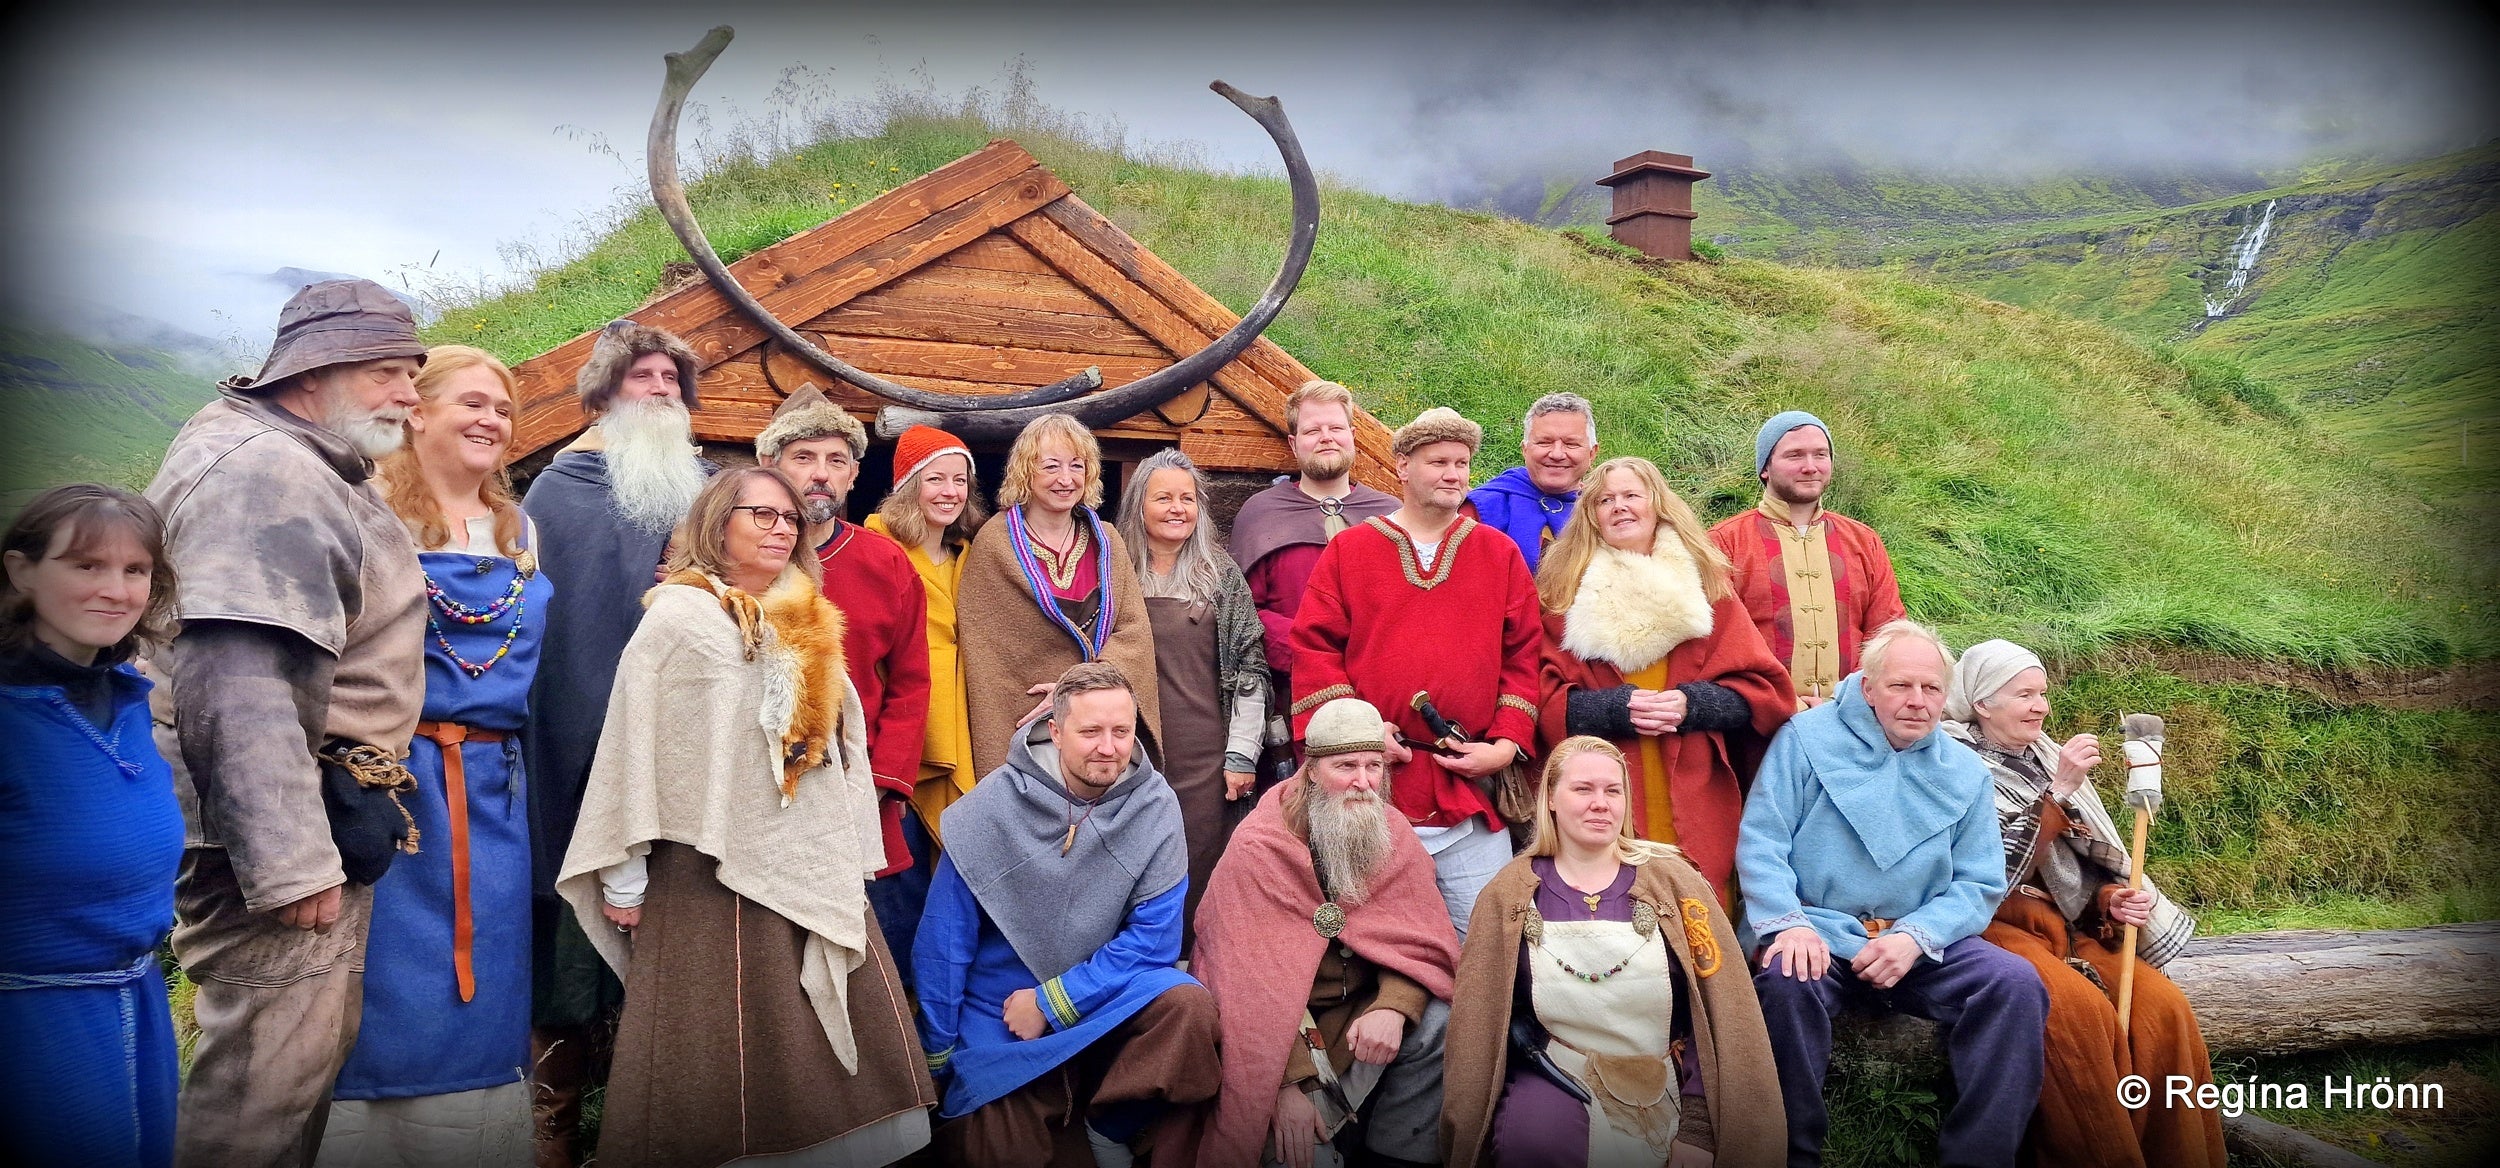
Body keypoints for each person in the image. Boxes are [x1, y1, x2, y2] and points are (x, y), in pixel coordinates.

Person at [556, 467, 936, 1168]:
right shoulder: (679, 619)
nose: (780, 528)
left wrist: (847, 846)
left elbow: (837, 751)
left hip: (809, 858)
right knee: (716, 1076)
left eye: (789, 518)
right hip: (706, 872)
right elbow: (637, 752)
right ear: (715, 525)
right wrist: (625, 879)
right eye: (761, 514)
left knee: (824, 1069)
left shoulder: (808, 616)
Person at [144, 278, 430, 1168]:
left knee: (292, 1078)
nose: (411, 395)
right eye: (388, 372)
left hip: (316, 815)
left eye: (413, 372)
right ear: (315, 373)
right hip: (269, 846)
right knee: (260, 1097)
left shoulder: (300, 459)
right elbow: (238, 679)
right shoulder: (265, 470)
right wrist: (290, 865)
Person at [320, 347, 548, 1166]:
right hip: (394, 787)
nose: (494, 420)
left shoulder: (522, 530)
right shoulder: (368, 514)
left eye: (505, 409)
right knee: (388, 986)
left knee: (486, 987)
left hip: (496, 796)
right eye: (474, 403)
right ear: (417, 411)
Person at [1736, 620, 2045, 1168]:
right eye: (1901, 685)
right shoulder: (1806, 739)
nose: (1917, 701)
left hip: (1914, 944)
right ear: (1868, 686)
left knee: (2015, 985)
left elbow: (1978, 883)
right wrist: (1788, 924)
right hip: (1820, 934)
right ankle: (1789, 1155)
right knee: (1785, 982)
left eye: (1931, 688)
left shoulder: (1965, 769)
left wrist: (1917, 937)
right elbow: (1762, 843)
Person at [517, 318, 710, 1163]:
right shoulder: (554, 497)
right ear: (603, 393)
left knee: (674, 940)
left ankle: (652, 1119)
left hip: (682, 756)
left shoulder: (707, 494)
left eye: (672, 377)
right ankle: (554, 1125)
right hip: (571, 748)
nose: (661, 388)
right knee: (567, 937)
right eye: (644, 377)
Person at [913, 663, 1221, 1167]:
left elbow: (1154, 942)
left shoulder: (1156, 806)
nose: (1109, 748)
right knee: (992, 1144)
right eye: (1091, 731)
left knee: (1188, 1011)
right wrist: (937, 1054)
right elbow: (945, 940)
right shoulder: (991, 806)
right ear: (1055, 731)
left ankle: (1111, 1127)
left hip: (1105, 998)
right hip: (1001, 1007)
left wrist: (1055, 1002)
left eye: (1121, 732)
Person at [1442, 737, 1786, 1168]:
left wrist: (1698, 1125)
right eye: (1583, 789)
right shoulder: (1509, 894)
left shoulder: (1675, 883)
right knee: (1533, 1146)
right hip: (1559, 1075)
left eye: (1613, 790)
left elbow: (1720, 1009)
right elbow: (1482, 1022)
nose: (1599, 803)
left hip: (1670, 1076)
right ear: (1550, 798)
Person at [1944, 640, 2224, 1168]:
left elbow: (2077, 863)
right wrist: (2059, 791)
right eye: (2024, 695)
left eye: (2043, 694)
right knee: (2077, 1015)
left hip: (2065, 925)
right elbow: (1988, 870)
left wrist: (2111, 899)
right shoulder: (1949, 759)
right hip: (1989, 926)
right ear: (1982, 703)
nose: (2041, 707)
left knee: (2165, 1008)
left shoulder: (2044, 754)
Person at [1290, 406, 1541, 940]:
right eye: (1438, 462)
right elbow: (1314, 648)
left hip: (1467, 789)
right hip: (1369, 788)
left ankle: (1477, 1028)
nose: (1454, 474)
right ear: (1401, 466)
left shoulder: (1498, 554)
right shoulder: (1350, 550)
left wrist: (1503, 745)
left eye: (1462, 463)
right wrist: (1359, 734)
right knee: (1370, 940)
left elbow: (1523, 657)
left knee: (1489, 943)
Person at [1182, 697, 1460, 1168]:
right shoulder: (1259, 847)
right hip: (1286, 1032)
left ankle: (1395, 1154)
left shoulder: (1390, 830)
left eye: (1374, 766)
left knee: (1439, 1020)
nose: (1363, 781)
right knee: (1284, 1154)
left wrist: (1394, 1007)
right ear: (1311, 770)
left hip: (1361, 1014)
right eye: (1346, 765)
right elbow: (1239, 985)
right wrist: (1287, 1084)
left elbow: (1423, 942)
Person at [0, 485, 184, 1168]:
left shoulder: (128, 699)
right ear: (22, 571)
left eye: (135, 571)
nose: (115, 590)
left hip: (135, 1011)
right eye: (86, 566)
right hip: (31, 1037)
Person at [1536, 456, 1793, 896]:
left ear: (1657, 505)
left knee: (1698, 908)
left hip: (1692, 777)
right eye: (1605, 500)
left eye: (1631, 496)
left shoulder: (1709, 587)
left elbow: (1766, 693)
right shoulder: (1563, 593)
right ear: (1591, 518)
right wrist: (1613, 710)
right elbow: (1541, 697)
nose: (1619, 507)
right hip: (1605, 779)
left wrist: (1693, 705)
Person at [757, 386, 935, 976]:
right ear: (770, 466)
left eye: (835, 461)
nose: (820, 475)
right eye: (803, 458)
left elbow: (911, 682)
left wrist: (886, 779)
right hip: (761, 783)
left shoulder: (883, 562)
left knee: (877, 951)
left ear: (855, 475)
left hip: (862, 785)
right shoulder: (737, 560)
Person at [1115, 448, 1268, 941]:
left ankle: (1191, 976)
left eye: (1187, 498)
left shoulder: (1220, 574)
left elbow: (1251, 666)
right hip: (1127, 754)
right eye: (1163, 498)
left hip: (1205, 760)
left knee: (1197, 867)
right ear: (1140, 504)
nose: (1177, 508)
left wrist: (1242, 754)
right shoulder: (1114, 570)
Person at [958, 414, 1161, 779]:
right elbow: (986, 654)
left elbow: (1133, 631)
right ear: (1026, 472)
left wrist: (1077, 689)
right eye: (1051, 466)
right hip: (1024, 722)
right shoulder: (995, 543)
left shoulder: (1108, 540)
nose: (1065, 479)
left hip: (1100, 720)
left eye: (1076, 466)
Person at [1708, 412, 1905, 710]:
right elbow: (1721, 640)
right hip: (1758, 720)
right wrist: (1782, 702)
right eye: (1795, 455)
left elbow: (1887, 634)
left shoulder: (1864, 541)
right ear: (1765, 468)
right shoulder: (1725, 542)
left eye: (1820, 455)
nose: (1810, 467)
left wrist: (1848, 700)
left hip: (1851, 715)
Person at [1226, 380, 1396, 704]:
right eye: (1312, 430)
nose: (1326, 437)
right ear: (1293, 443)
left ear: (1353, 436)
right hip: (1294, 694)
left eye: (1336, 427)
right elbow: (1244, 610)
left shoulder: (1391, 515)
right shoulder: (1261, 514)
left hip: (1382, 692)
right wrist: (1315, 654)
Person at [867, 424, 990, 839]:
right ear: (907, 487)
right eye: (935, 479)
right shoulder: (878, 550)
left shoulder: (970, 557)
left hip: (960, 724)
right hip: (898, 737)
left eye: (960, 481)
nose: (950, 492)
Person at [1463, 392, 1599, 574]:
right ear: (1525, 450)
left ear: (1592, 453)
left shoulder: (1607, 510)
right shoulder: (1481, 508)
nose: (1557, 454)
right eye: (1544, 442)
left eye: (1571, 444)